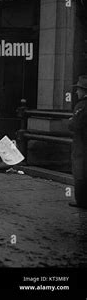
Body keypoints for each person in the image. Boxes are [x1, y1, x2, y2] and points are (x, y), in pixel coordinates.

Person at [68, 75, 87, 209]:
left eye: (79, 89)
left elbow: (75, 124)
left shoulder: (81, 105)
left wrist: (70, 121)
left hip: (82, 143)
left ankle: (81, 201)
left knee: (80, 172)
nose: (76, 92)